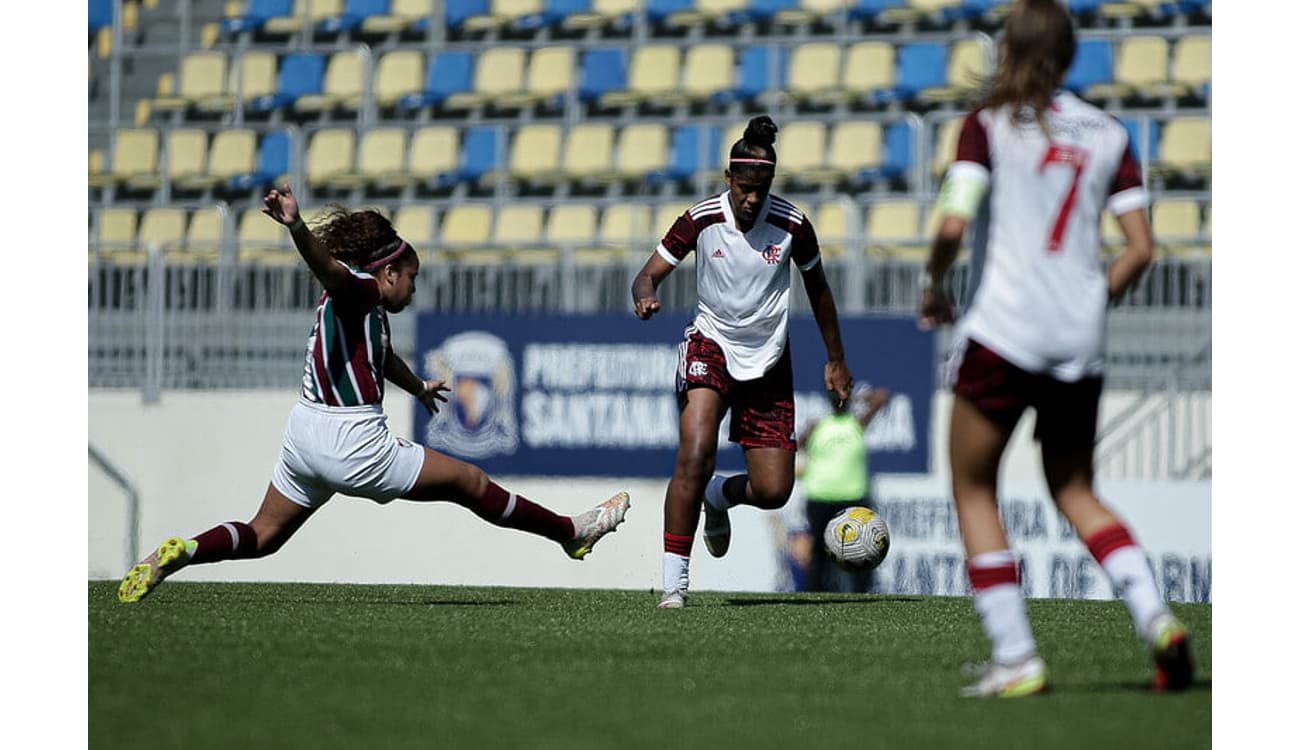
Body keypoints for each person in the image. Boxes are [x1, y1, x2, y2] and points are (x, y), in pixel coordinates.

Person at [118, 186, 631, 604]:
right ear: (387, 273)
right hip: (352, 440)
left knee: (262, 535)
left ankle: (183, 550)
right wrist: (297, 226)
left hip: (305, 436)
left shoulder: (363, 311)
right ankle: (571, 531)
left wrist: (417, 386)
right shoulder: (359, 290)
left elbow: (381, 358)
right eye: (411, 278)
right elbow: (332, 273)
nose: (413, 287)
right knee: (471, 481)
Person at [920, 0, 1192, 696]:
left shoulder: (988, 125)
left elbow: (953, 225)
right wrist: (1090, 301)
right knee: (1075, 488)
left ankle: (1017, 657)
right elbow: (1142, 249)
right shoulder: (1109, 131)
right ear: (1070, 57)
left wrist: (933, 283)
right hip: (1079, 334)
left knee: (975, 487)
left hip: (1006, 328)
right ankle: (1158, 619)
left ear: (1007, 49)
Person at [631, 115, 853, 609]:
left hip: (769, 357)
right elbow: (647, 275)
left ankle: (718, 495)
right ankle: (674, 585)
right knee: (694, 451)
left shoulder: (793, 225)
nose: (753, 198)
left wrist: (836, 358)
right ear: (729, 179)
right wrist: (646, 296)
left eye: (763, 188)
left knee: (775, 489)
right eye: (746, 187)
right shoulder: (701, 219)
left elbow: (818, 290)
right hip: (711, 344)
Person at [790, 384, 891, 593]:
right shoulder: (817, 426)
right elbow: (795, 446)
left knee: (862, 551)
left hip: (853, 498)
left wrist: (853, 398)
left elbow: (882, 396)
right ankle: (813, 596)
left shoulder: (856, 424)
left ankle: (862, 596)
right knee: (819, 552)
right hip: (820, 497)